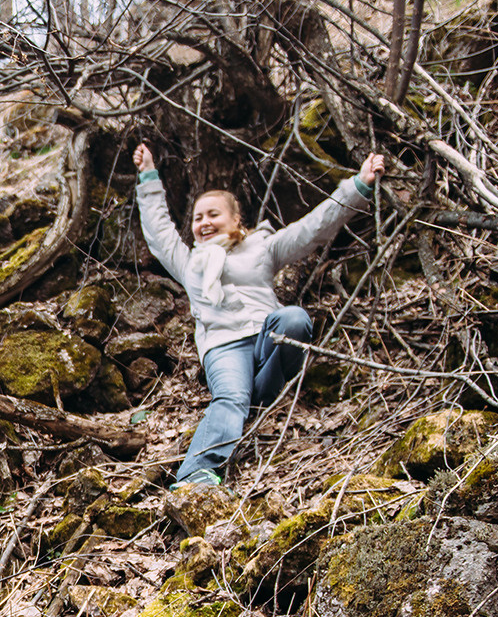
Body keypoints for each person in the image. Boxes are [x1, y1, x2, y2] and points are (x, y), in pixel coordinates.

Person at [134, 143, 387, 490]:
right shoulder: (189, 263)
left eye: (213, 214)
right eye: (198, 218)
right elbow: (159, 230)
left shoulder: (262, 247)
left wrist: (357, 187)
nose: (204, 223)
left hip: (267, 340)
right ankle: (197, 474)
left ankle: (264, 391)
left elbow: (313, 228)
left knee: (294, 319)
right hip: (224, 347)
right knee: (231, 397)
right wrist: (148, 175)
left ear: (235, 220)